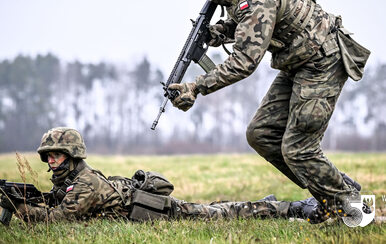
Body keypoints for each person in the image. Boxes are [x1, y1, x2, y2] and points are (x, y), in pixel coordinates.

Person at [168, 0, 370, 221]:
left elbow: (244, 63)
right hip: (297, 62)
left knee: (298, 148)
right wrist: (219, 32)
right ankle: (336, 187)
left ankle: (357, 214)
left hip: (323, 61)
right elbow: (251, 24)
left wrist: (195, 86)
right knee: (261, 134)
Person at [0, 127, 328, 223]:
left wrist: (19, 208)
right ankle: (263, 205)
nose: (52, 160)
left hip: (156, 212)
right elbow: (55, 202)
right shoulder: (72, 180)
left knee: (219, 214)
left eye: (57, 154)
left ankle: (293, 208)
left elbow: (58, 219)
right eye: (49, 156)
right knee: (217, 208)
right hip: (143, 207)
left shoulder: (83, 183)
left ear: (72, 156)